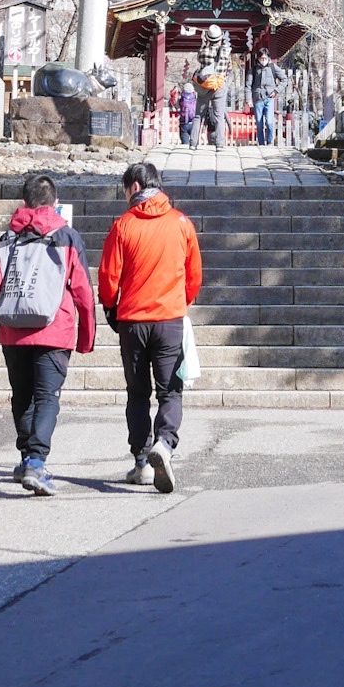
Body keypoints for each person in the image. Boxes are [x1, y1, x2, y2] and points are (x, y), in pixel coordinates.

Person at [0, 171, 95, 497]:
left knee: (22, 396)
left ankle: (26, 459)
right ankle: (36, 462)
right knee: (47, 398)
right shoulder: (67, 237)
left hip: (14, 331)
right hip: (54, 331)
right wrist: (86, 336)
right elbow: (83, 291)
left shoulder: (10, 237)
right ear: (55, 202)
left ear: (25, 202)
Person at [98, 161, 202, 492]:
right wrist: (180, 303)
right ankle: (165, 443)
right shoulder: (181, 223)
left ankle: (142, 462)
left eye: (125, 190)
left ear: (135, 187)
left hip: (132, 322)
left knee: (138, 393)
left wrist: (111, 308)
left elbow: (108, 277)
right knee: (170, 391)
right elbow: (194, 275)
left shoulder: (123, 226)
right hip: (169, 320)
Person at [194, 22, 231, 151]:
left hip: (205, 85)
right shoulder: (226, 51)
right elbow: (229, 68)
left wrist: (204, 44)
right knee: (219, 116)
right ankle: (220, 144)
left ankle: (193, 143)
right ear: (220, 38)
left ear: (208, 38)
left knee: (198, 115)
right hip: (219, 85)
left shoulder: (203, 51)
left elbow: (199, 60)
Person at [251, 46, 278, 146]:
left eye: (265, 58)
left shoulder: (273, 68)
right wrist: (248, 99)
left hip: (269, 98)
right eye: (262, 58)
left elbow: (284, 79)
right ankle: (261, 143)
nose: (263, 60)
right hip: (258, 98)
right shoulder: (254, 70)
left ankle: (270, 141)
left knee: (270, 122)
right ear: (258, 58)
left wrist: (276, 90)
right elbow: (248, 85)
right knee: (259, 123)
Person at [178, 76, 197, 148]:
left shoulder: (181, 97)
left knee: (185, 143)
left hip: (184, 123)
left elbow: (177, 106)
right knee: (194, 142)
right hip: (194, 122)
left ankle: (185, 149)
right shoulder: (195, 97)